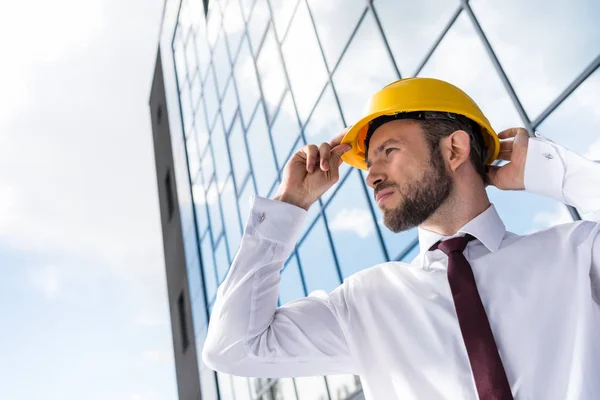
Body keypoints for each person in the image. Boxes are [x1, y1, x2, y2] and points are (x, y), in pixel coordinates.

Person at [202, 77, 600, 399]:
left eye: (388, 151)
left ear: (455, 149)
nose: (372, 176)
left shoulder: (576, 256)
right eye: (369, 163)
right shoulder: (366, 303)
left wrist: (553, 173)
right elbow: (233, 347)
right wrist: (289, 204)